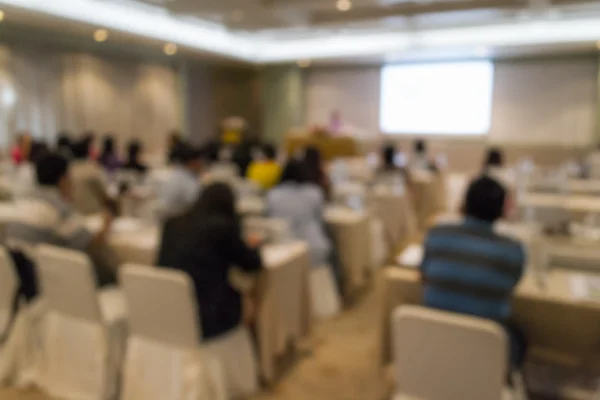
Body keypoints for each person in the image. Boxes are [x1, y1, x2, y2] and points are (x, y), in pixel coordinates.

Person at [157, 182, 261, 395]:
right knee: (251, 297)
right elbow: (252, 264)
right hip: (210, 316)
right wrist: (253, 246)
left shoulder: (172, 223)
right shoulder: (223, 228)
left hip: (168, 310)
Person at [420, 176, 526, 368]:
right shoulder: (513, 250)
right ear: (501, 210)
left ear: (463, 203)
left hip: (434, 339)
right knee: (519, 335)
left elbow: (423, 276)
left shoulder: (436, 234)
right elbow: (512, 286)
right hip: (486, 352)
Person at [6, 152, 117, 291]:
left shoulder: (25, 203)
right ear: (63, 180)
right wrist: (107, 224)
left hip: (18, 288)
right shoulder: (57, 209)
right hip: (44, 288)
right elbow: (91, 243)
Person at [267, 160, 332, 268]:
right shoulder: (314, 193)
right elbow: (320, 220)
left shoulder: (273, 194)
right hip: (312, 249)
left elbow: (269, 219)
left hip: (282, 251)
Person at [70, 138, 116, 216]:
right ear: (88, 152)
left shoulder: (68, 171)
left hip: (73, 213)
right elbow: (104, 193)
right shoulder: (93, 169)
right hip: (93, 214)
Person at [157, 142, 203, 218]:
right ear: (192, 162)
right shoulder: (187, 179)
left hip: (170, 217)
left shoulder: (174, 175)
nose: (201, 164)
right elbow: (197, 201)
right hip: (182, 219)